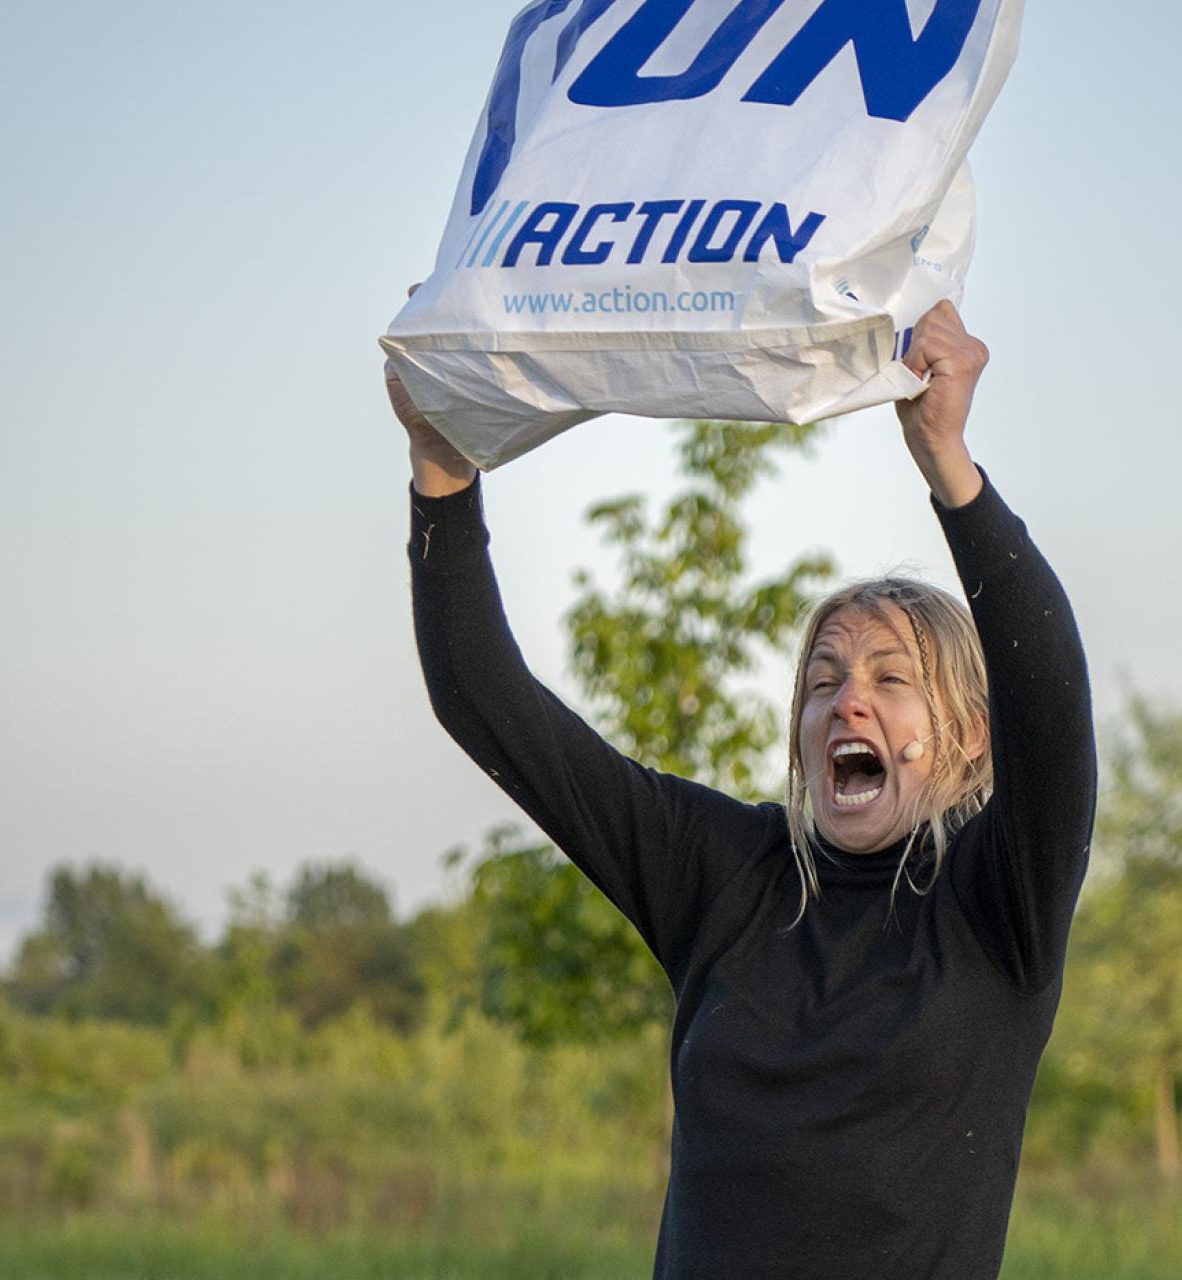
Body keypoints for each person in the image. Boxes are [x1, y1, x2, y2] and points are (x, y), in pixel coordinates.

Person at [391, 301, 1096, 1279]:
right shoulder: (724, 873)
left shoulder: (995, 905)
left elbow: (1051, 700)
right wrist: (441, 464)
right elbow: (483, 697)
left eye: (891, 679)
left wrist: (949, 465)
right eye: (821, 681)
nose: (847, 701)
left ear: (968, 735)